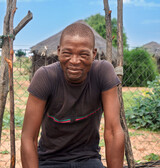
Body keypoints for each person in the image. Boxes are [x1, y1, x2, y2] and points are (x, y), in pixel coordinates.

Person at [21, 22, 124, 168]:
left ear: (94, 54)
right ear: (58, 51)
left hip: (88, 160)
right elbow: (28, 137)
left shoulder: (103, 72)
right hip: (50, 160)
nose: (74, 61)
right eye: (67, 53)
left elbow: (113, 132)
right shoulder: (45, 77)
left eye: (83, 54)